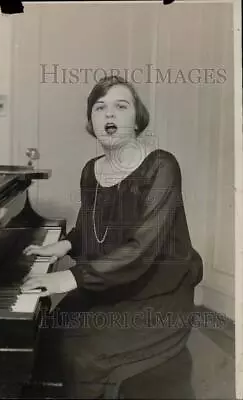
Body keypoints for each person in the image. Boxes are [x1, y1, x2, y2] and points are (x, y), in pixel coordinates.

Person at [21, 75, 203, 399]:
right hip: (108, 284)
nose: (109, 115)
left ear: (137, 118)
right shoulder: (91, 170)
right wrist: (59, 247)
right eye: (99, 108)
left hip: (156, 295)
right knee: (44, 334)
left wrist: (67, 279)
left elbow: (141, 250)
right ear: (91, 121)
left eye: (121, 106)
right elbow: (88, 232)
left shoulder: (162, 166)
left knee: (83, 358)